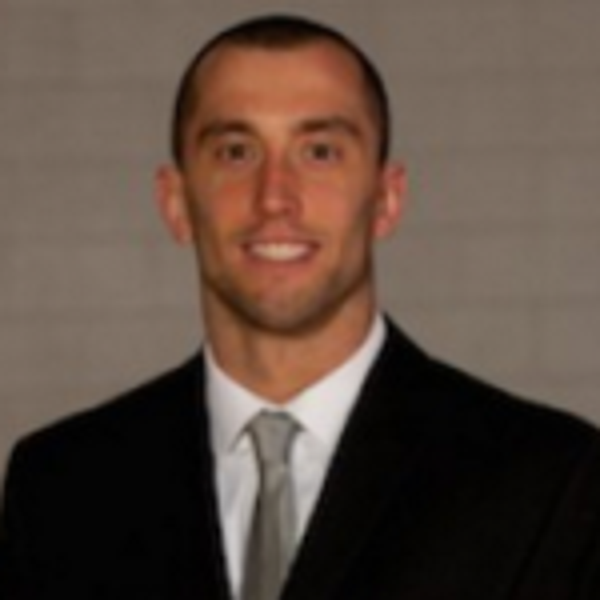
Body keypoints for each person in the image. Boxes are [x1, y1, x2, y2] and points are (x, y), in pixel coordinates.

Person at [1, 13, 600, 600]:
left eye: (320, 152)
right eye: (236, 152)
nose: (275, 198)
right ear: (176, 203)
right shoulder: (58, 487)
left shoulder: (545, 481)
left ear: (386, 199)